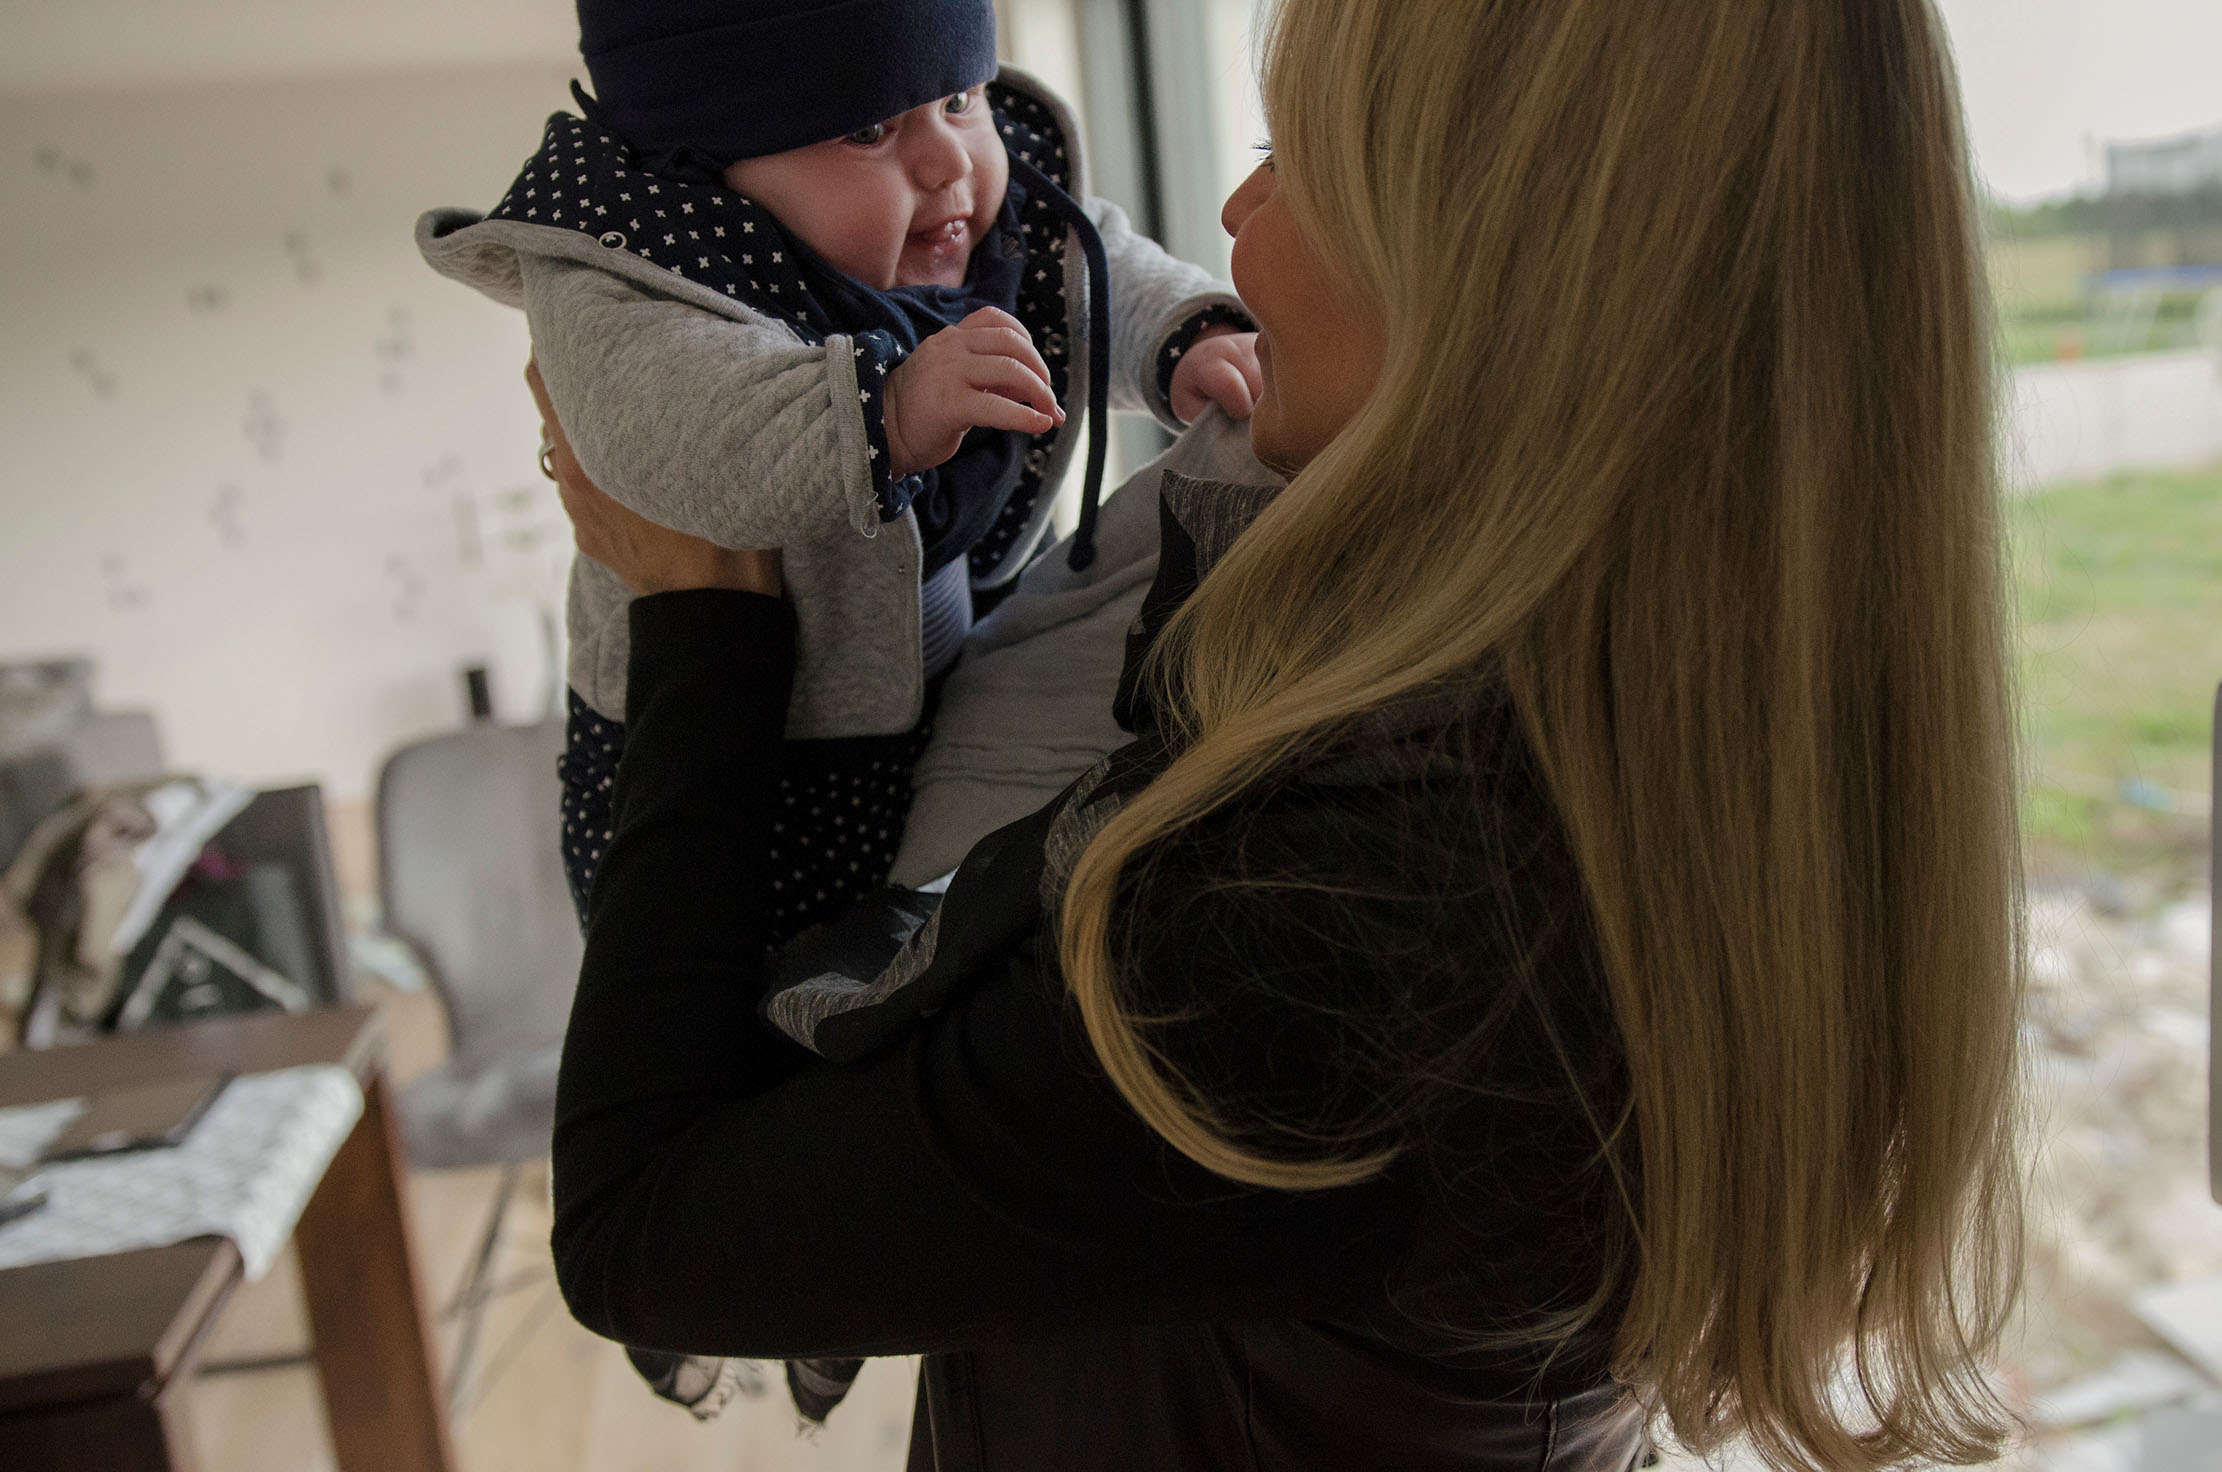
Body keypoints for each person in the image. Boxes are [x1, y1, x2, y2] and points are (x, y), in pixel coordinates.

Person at [537, 0, 2029, 1467]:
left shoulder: (1353, 923)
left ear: (1503, 272)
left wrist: (704, 621)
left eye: (1302, 161)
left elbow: (641, 1230)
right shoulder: (1632, 744)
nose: (1239, 214)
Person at [417, 0, 1260, 937]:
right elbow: (679, 436)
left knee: (953, 939)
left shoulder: (981, 217)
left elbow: (1092, 264)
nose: (948, 163)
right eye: (868, 130)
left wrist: (1189, 335)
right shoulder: (632, 272)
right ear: (713, 163)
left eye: (962, 97)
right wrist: (885, 411)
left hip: (951, 676)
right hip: (746, 757)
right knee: (755, 1002)